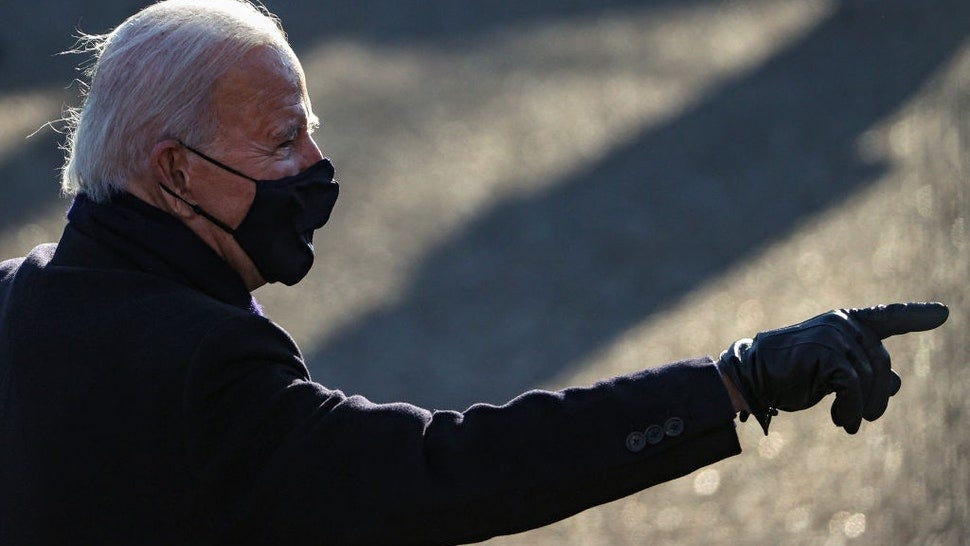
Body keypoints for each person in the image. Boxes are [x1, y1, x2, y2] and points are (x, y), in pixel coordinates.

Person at [0, 1, 948, 544]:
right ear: (174, 171)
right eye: (283, 141)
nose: (316, 169)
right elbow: (448, 469)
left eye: (313, 130)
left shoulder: (17, 294)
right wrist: (735, 380)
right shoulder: (204, 371)